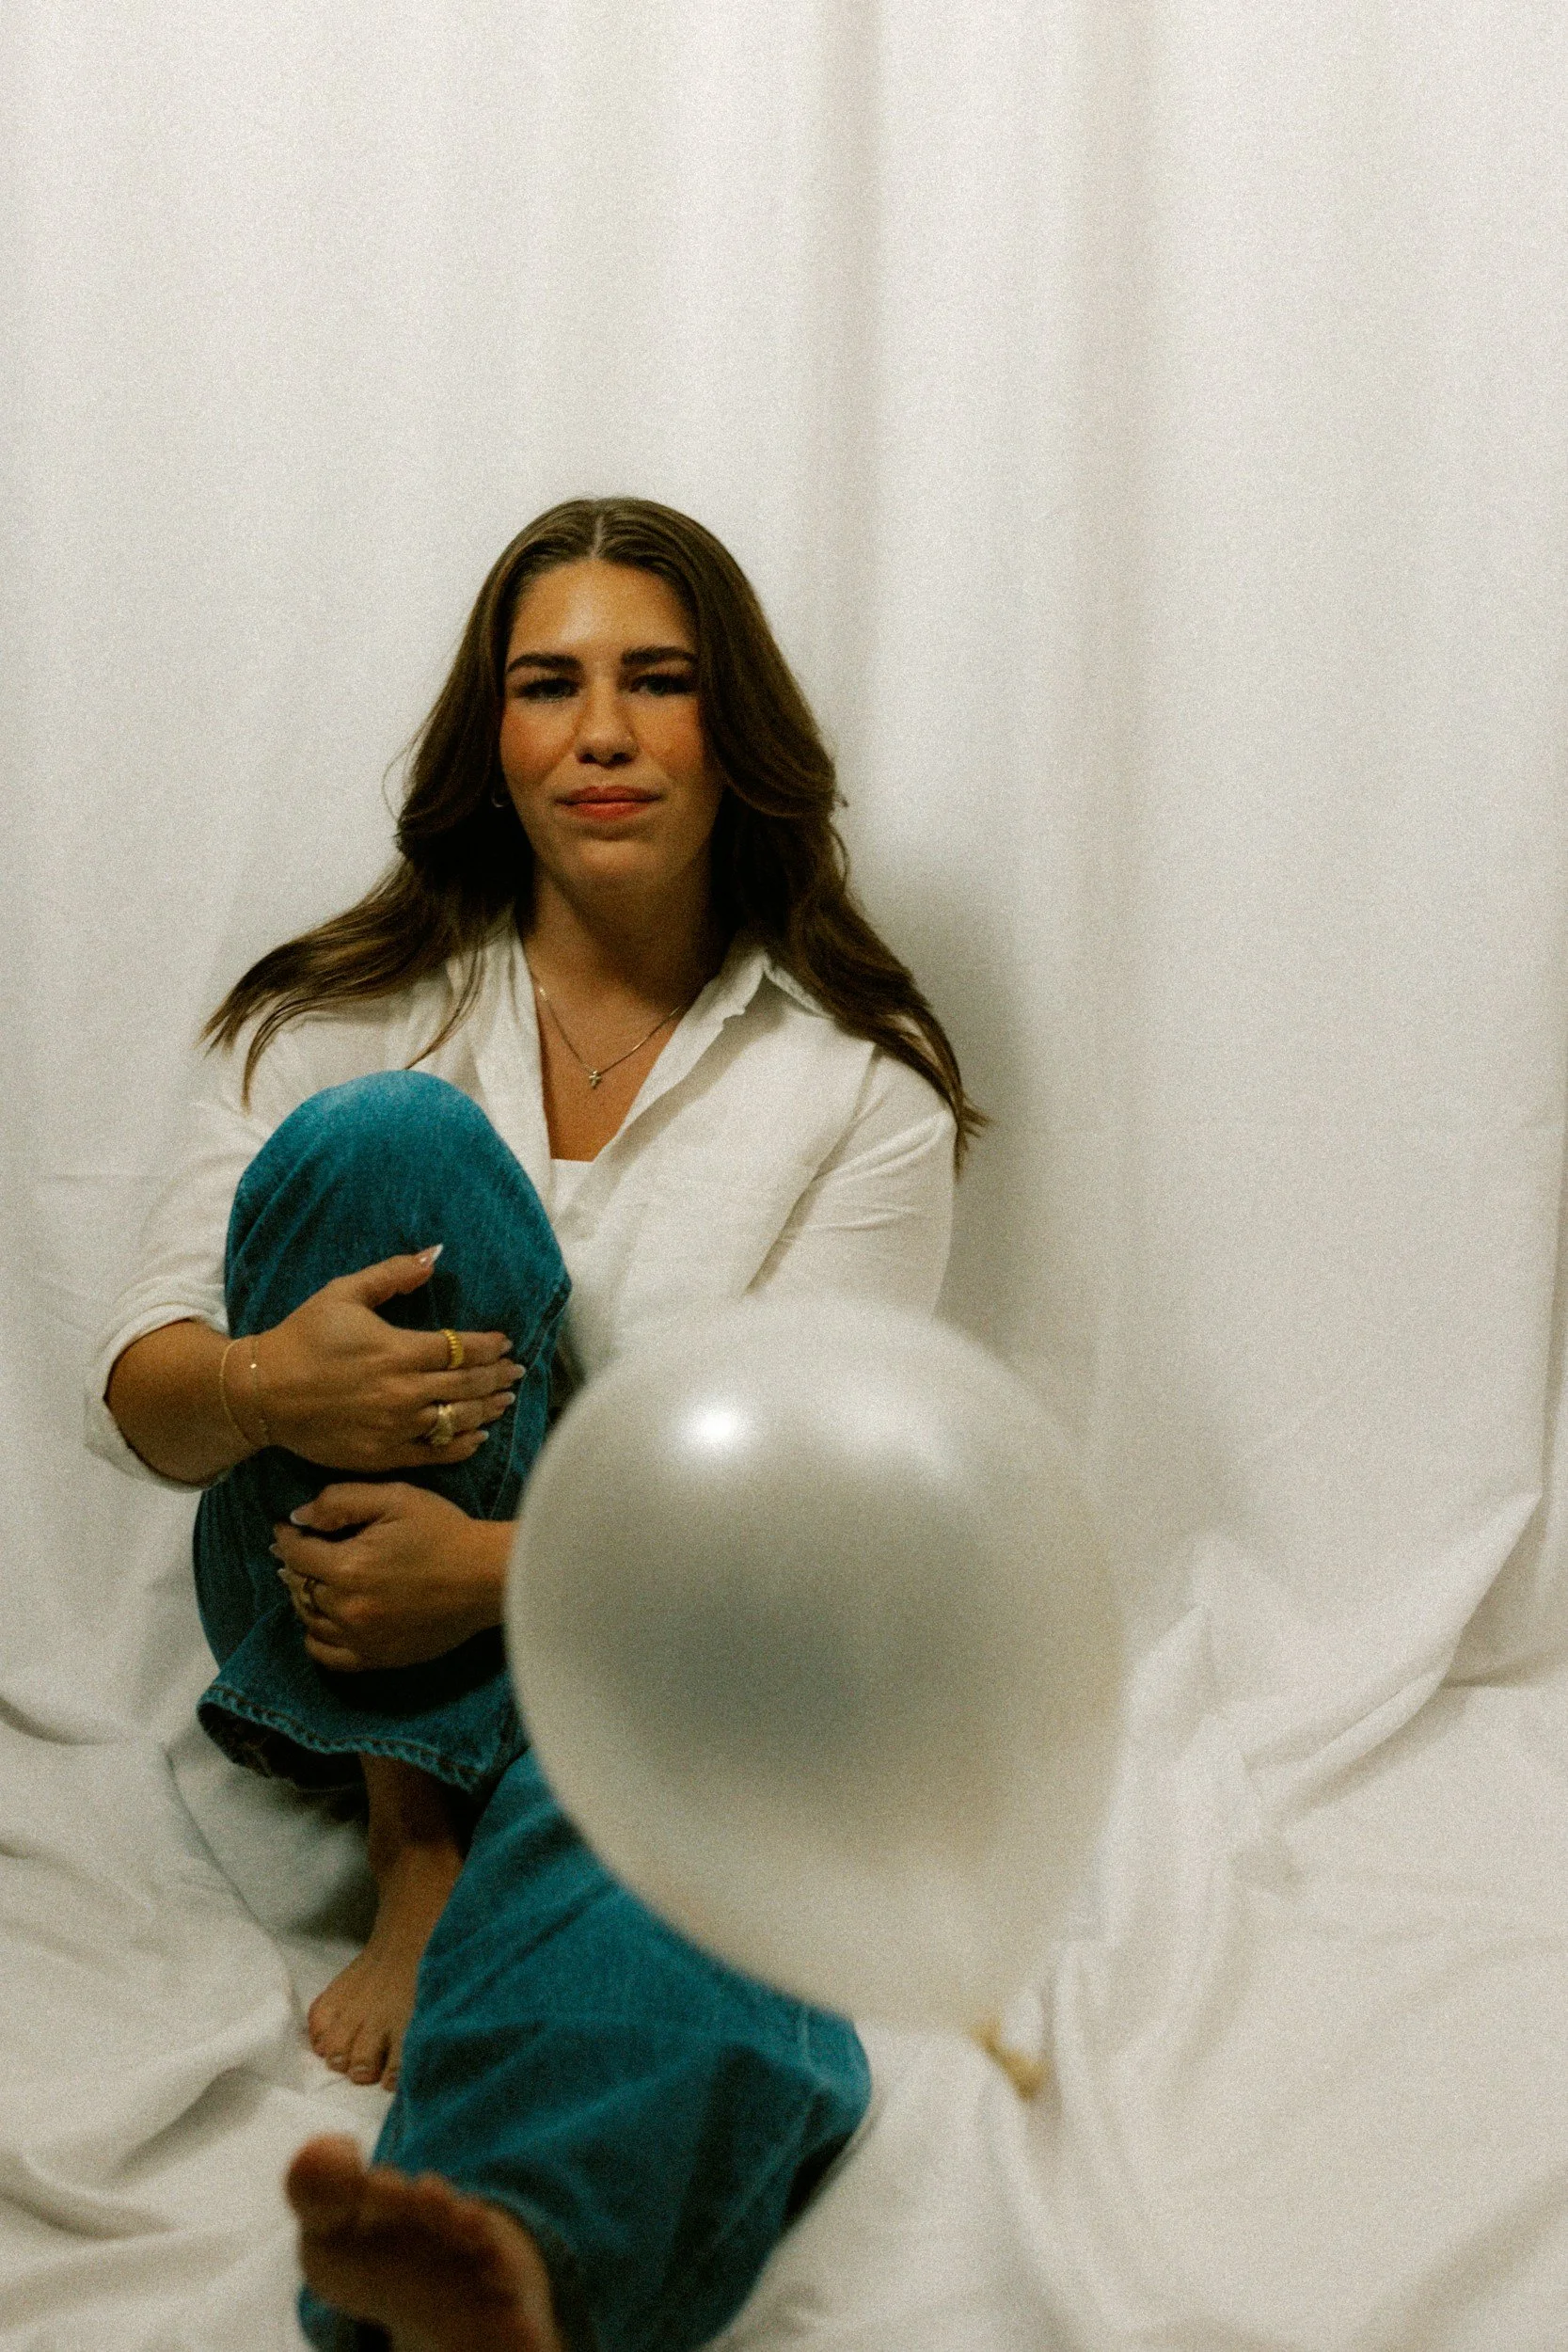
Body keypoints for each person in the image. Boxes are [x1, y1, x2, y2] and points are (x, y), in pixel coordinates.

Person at [89, 497, 980, 2352]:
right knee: (392, 1146)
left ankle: (497, 2264)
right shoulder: (344, 1014)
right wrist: (275, 1382)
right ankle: (421, 1845)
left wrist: (499, 1564)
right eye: (547, 684)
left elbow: (809, 1502)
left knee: (691, 1866)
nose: (599, 729)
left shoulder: (854, 1091)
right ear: (487, 743)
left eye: (656, 681)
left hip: (661, 1656)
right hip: (321, 1619)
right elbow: (150, 1395)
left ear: (731, 736)